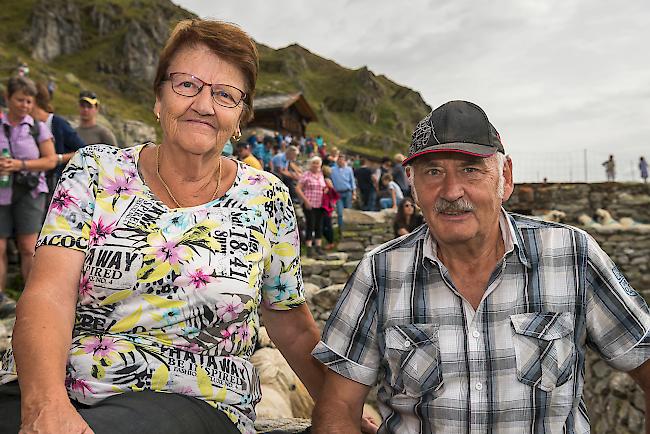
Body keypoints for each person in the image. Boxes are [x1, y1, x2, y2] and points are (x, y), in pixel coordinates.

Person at [0, 19, 330, 434]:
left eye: (225, 94)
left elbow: (290, 323)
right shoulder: (95, 170)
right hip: (50, 383)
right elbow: (48, 290)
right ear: (158, 98)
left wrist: (342, 408)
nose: (204, 105)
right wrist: (45, 405)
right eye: (186, 84)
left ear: (241, 116)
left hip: (188, 398)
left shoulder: (268, 198)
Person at [311, 100, 650, 433]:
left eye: (470, 169)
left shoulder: (573, 255)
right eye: (433, 172)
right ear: (411, 185)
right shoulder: (379, 272)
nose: (451, 191)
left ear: (505, 176)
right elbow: (338, 407)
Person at [0, 76, 57, 318]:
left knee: (27, 246)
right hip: (2, 192)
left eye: (28, 101)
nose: (24, 105)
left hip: (30, 192)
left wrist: (20, 164)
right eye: (20, 100)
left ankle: (33, 298)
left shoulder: (37, 127)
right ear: (8, 99)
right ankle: (1, 299)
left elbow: (50, 160)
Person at [31, 82, 87, 199]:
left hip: (57, 185)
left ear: (34, 101)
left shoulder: (57, 123)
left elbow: (84, 151)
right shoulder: (25, 124)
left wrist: (59, 158)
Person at [295, 156, 327, 258]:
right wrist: (305, 200)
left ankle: (318, 247)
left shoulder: (321, 175)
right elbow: (298, 188)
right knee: (310, 225)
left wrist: (326, 190)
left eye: (317, 163)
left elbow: (323, 187)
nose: (316, 165)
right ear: (310, 164)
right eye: (314, 163)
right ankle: (309, 248)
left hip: (320, 204)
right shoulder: (306, 175)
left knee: (319, 225)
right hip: (309, 204)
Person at [330, 153, 356, 233]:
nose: (340, 162)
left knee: (348, 211)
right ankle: (341, 230)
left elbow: (352, 181)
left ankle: (349, 228)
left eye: (342, 160)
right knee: (340, 213)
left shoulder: (349, 169)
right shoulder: (332, 169)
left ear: (345, 161)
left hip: (347, 192)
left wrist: (354, 193)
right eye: (339, 160)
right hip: (337, 194)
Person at [320, 165, 339, 250]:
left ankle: (330, 242)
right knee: (324, 224)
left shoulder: (326, 181)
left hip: (326, 206)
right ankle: (329, 242)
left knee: (326, 224)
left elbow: (332, 193)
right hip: (324, 205)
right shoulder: (324, 180)